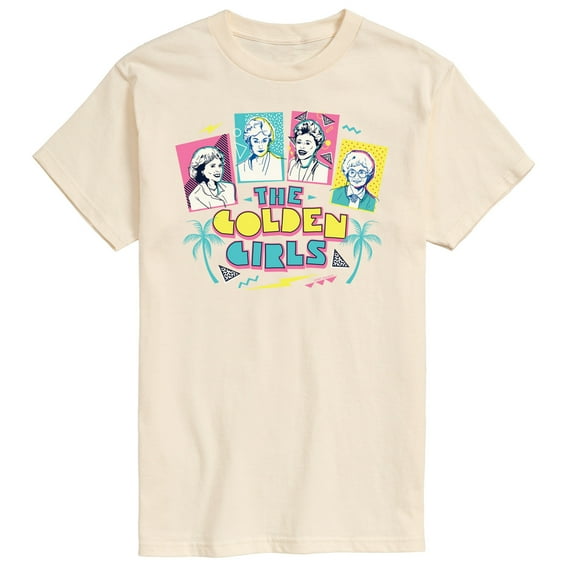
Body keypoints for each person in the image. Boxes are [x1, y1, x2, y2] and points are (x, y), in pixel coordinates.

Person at [187, 146, 236, 210]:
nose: (218, 170)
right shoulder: (196, 196)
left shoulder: (230, 188)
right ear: (202, 170)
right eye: (212, 166)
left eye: (220, 166)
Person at [237, 116, 283, 181]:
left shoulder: (280, 163)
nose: (260, 146)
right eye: (256, 141)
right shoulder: (240, 168)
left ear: (269, 141)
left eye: (264, 141)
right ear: (249, 141)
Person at [287, 119, 329, 183]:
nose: (302, 146)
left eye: (307, 143)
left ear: (317, 146)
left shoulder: (323, 170)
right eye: (299, 142)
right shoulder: (292, 164)